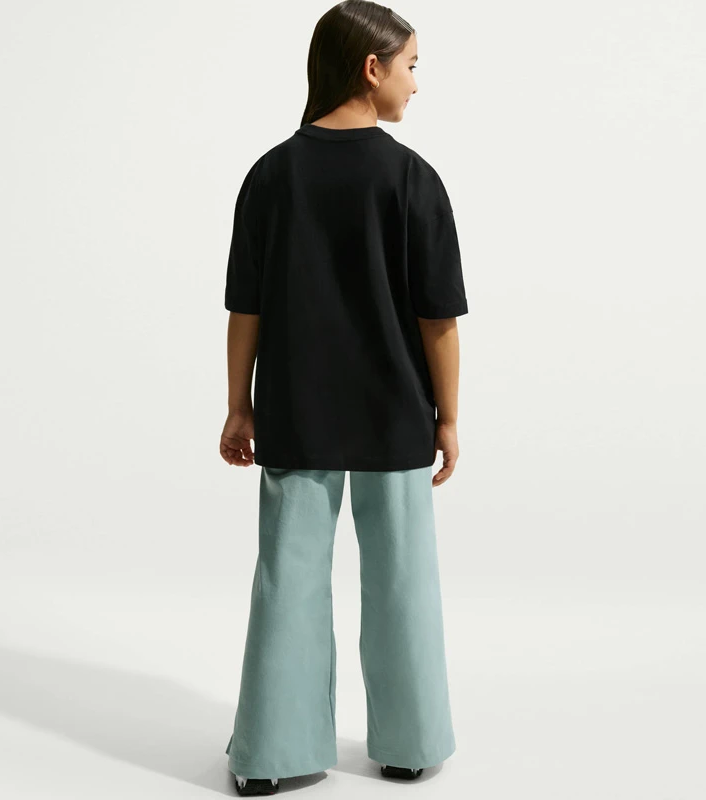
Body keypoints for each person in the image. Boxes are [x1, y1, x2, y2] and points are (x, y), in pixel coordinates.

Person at [220, 2, 468, 795]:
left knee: (286, 582)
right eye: (411, 65)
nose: (416, 84)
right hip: (395, 412)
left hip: (295, 408)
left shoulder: (271, 175)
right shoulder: (411, 179)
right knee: (402, 581)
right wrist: (449, 416)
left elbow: (246, 308)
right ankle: (410, 744)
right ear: (371, 68)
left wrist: (238, 404)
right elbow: (438, 320)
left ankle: (271, 755)